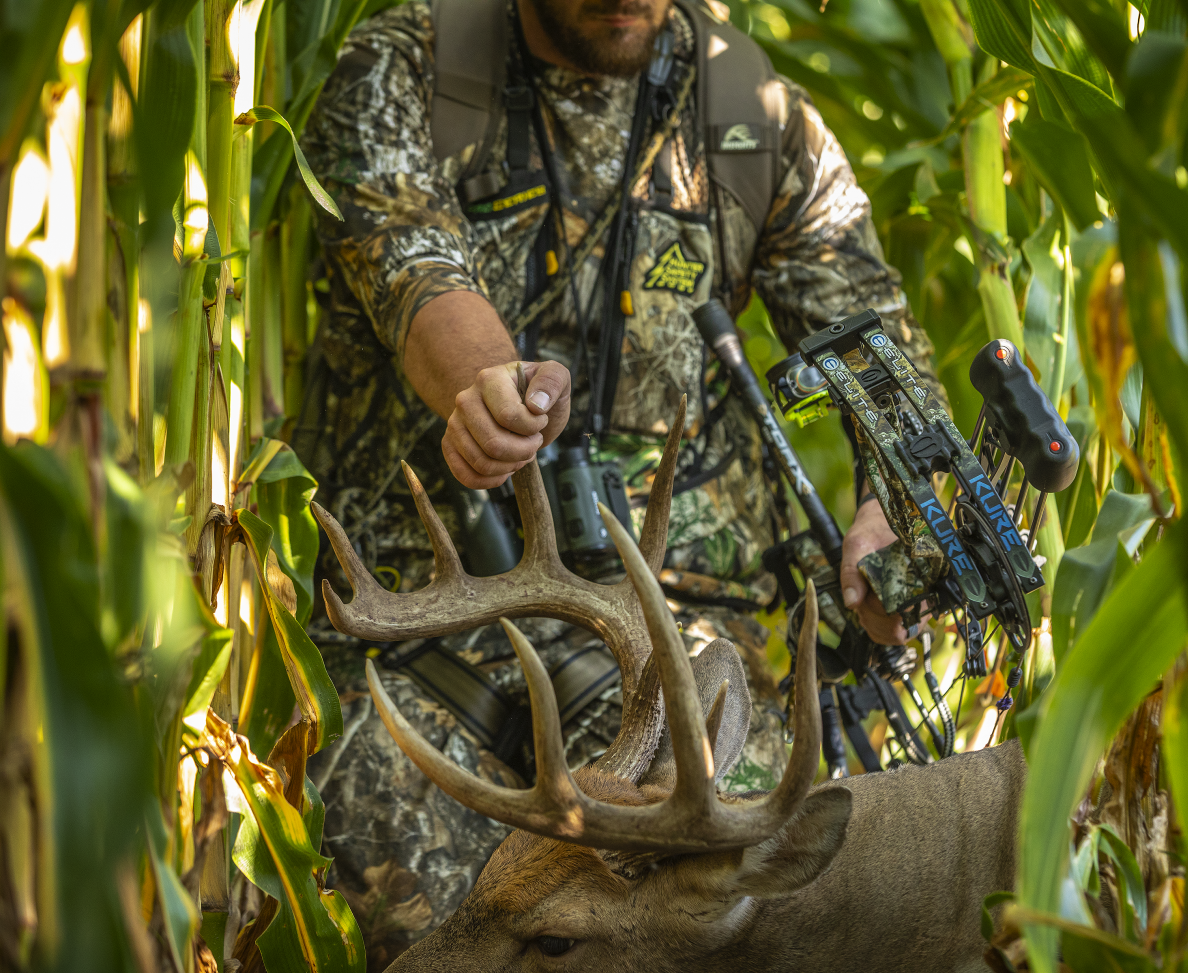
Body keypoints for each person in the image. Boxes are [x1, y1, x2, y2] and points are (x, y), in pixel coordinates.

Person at [295, 0, 950, 964]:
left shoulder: (752, 110)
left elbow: (876, 341)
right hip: (425, 638)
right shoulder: (413, 67)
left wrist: (890, 513)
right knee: (441, 931)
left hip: (675, 650)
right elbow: (418, 274)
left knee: (775, 903)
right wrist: (490, 392)